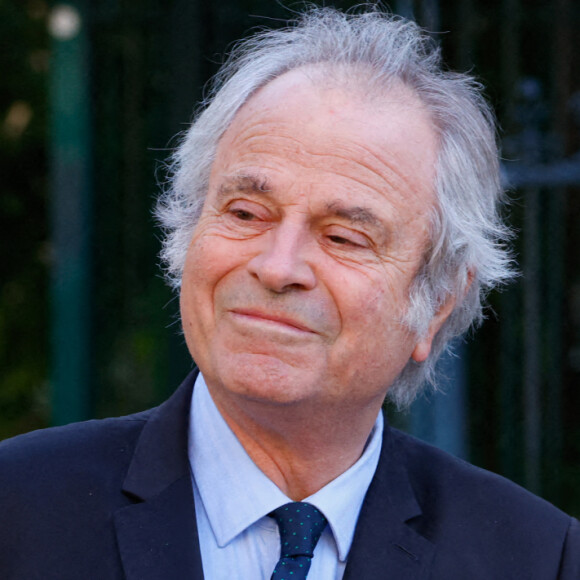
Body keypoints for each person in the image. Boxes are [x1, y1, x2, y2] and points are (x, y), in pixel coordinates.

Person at [0, 6, 578, 580]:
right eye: (246, 212)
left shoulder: (536, 557)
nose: (278, 267)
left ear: (439, 302)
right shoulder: (17, 511)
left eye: (345, 237)